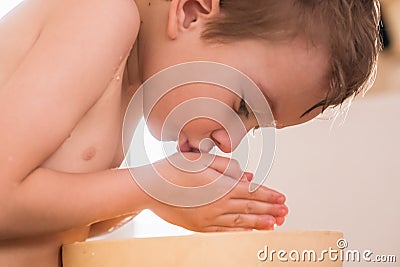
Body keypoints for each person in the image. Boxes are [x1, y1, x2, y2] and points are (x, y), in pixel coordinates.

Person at [0, 0, 380, 266]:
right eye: (244, 106)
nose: (231, 142)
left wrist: (159, 197)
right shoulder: (100, 15)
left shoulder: (130, 87)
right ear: (191, 12)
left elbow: (50, 220)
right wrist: (150, 186)